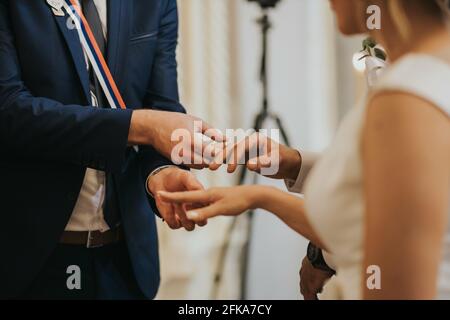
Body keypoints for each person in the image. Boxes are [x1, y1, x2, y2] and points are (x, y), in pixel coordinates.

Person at [160, 0, 450, 299]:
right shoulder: (429, 68)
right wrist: (290, 164)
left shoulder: (407, 96)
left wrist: (260, 197)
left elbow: (392, 276)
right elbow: (381, 200)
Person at [0, 0, 217, 299]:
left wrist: (160, 172)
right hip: (30, 257)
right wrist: (143, 126)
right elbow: (9, 110)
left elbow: (162, 105)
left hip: (125, 261)